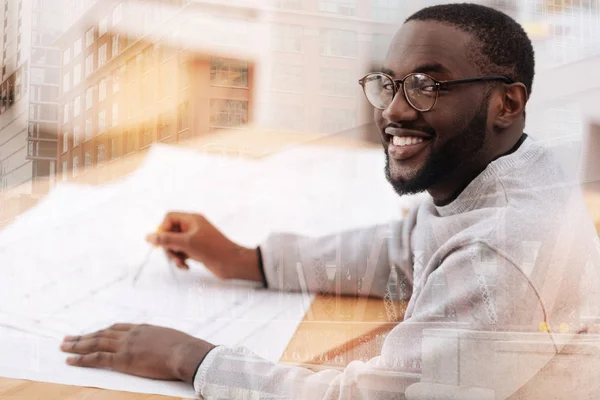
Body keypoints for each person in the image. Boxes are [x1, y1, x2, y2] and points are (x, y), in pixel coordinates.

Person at [60, 3, 600, 399]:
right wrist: (250, 260)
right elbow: (402, 248)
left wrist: (192, 359)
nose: (396, 111)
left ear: (508, 102)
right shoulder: (511, 171)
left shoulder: (500, 253)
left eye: (427, 87)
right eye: (388, 84)